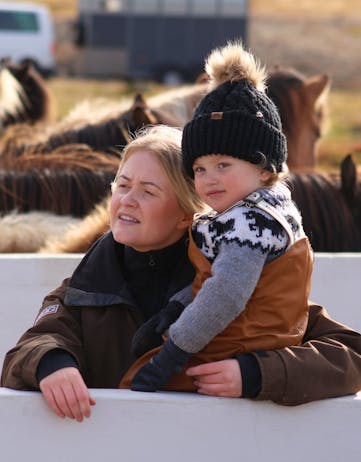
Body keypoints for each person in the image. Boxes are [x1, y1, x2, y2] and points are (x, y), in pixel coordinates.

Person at [1, 126, 361, 423]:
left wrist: (255, 374)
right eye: (122, 185)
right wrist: (51, 364)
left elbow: (349, 355)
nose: (127, 199)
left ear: (186, 215)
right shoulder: (81, 289)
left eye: (148, 191)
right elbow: (27, 350)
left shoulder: (241, 285)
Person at [120, 41, 313, 393]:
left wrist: (172, 351)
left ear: (266, 169)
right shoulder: (247, 214)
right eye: (199, 168)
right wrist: (176, 307)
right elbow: (214, 279)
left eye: (224, 165)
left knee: (135, 383)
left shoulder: (252, 223)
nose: (209, 178)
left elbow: (226, 294)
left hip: (243, 343)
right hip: (239, 339)